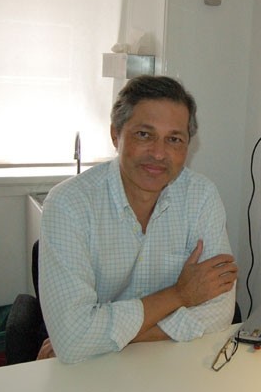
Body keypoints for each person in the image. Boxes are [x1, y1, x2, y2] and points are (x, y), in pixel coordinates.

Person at [37, 75, 238, 364]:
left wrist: (112, 337)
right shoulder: (69, 204)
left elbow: (219, 311)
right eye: (144, 135)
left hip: (172, 365)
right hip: (94, 371)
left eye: (174, 140)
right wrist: (179, 295)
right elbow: (73, 338)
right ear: (115, 135)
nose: (158, 153)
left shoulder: (202, 196)